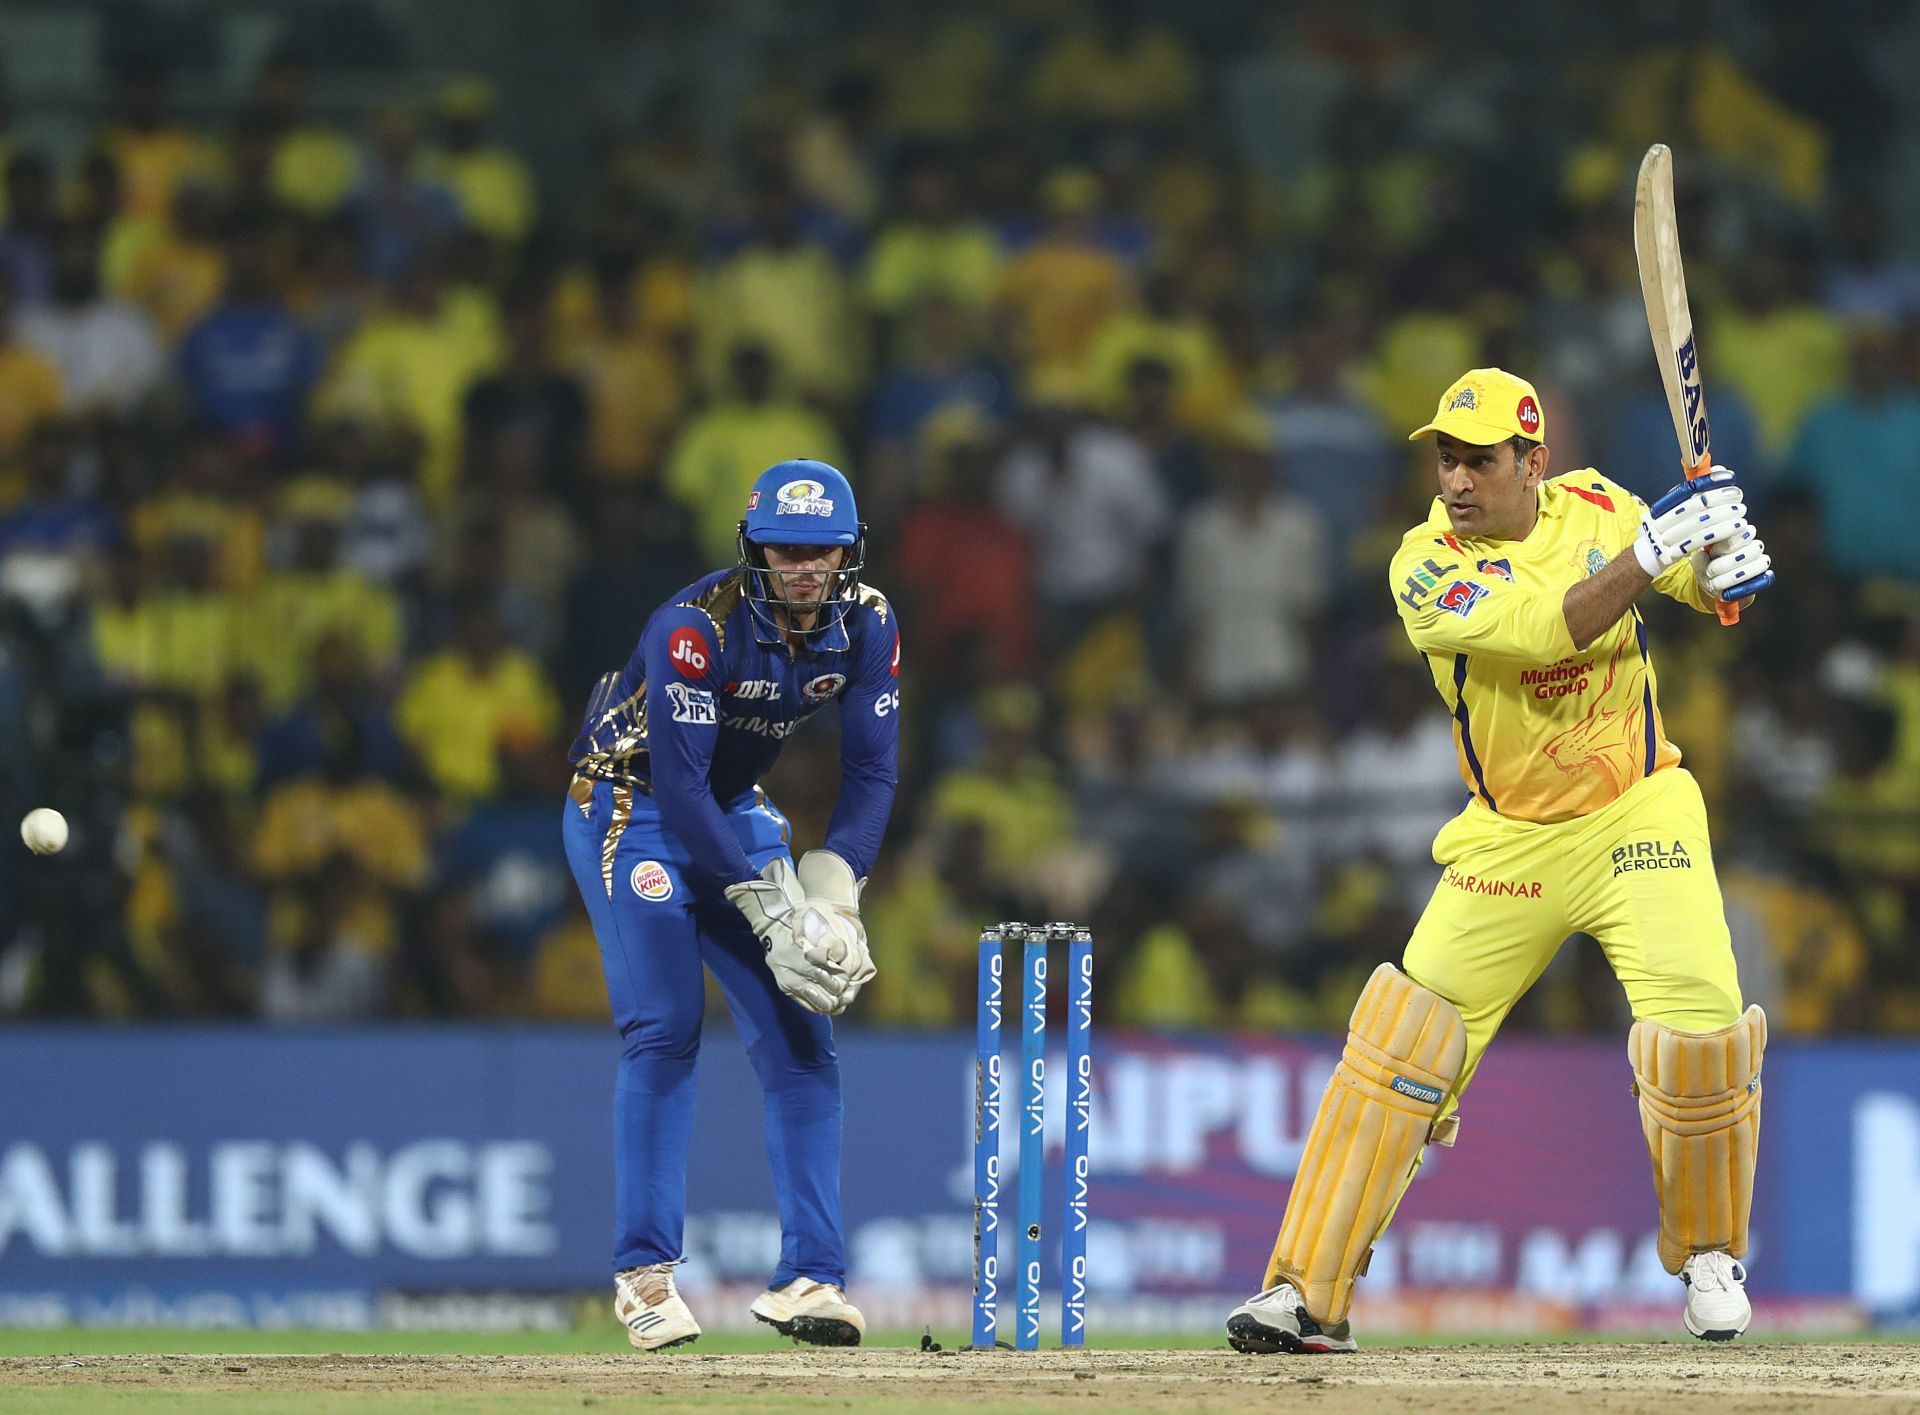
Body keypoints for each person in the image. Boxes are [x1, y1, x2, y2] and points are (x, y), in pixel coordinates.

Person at [1226, 369, 1775, 1354]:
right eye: (1446, 457)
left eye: (1480, 459)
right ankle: (1308, 1295)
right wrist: (1656, 550)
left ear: (1535, 462)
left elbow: (1689, 581)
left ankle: (1709, 1256)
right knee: (1401, 1047)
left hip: (1635, 808)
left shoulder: (1604, 503)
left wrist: (1721, 561)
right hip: (1510, 834)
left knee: (1699, 1032)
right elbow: (1541, 627)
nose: (1457, 480)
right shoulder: (1425, 564)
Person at [562, 459, 899, 1351]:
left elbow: (870, 772)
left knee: (803, 1031)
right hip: (631, 808)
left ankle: (811, 1278)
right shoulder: (693, 628)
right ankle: (643, 1274)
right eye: (787, 549)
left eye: (822, 551)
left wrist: (836, 892)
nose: (804, 569)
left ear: (848, 554)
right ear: (753, 547)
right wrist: (767, 905)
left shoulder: (868, 624)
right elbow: (677, 785)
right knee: (665, 1027)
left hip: (735, 813)